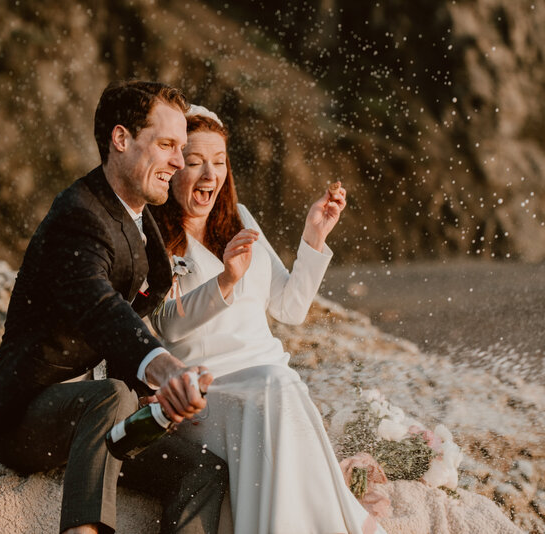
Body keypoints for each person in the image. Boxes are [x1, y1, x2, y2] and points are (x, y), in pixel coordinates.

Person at [0, 81, 228, 534]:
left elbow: (143, 299)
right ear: (121, 139)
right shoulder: (77, 215)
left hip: (99, 421)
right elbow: (101, 308)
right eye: (167, 145)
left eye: (181, 147)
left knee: (204, 468)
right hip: (25, 416)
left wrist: (151, 395)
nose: (178, 161)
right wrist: (163, 370)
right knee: (113, 398)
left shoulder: (138, 218)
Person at [150, 106, 386, 534]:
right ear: (173, 164)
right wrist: (225, 280)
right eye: (196, 161)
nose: (210, 175)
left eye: (219, 162)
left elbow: (289, 308)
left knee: (280, 382)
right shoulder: (156, 236)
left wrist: (315, 235)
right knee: (279, 383)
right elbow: (166, 326)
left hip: (274, 385)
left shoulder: (240, 219)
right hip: (209, 393)